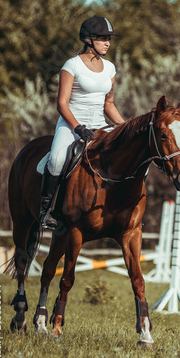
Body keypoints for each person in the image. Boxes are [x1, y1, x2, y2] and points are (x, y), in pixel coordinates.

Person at [40, 15, 125, 230]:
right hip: (72, 123)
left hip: (99, 123)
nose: (108, 42)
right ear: (89, 39)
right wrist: (77, 127)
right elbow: (62, 103)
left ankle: (125, 207)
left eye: (109, 39)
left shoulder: (110, 68)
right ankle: (45, 211)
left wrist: (125, 128)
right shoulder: (72, 65)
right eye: (103, 38)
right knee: (58, 160)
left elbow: (109, 105)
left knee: (124, 153)